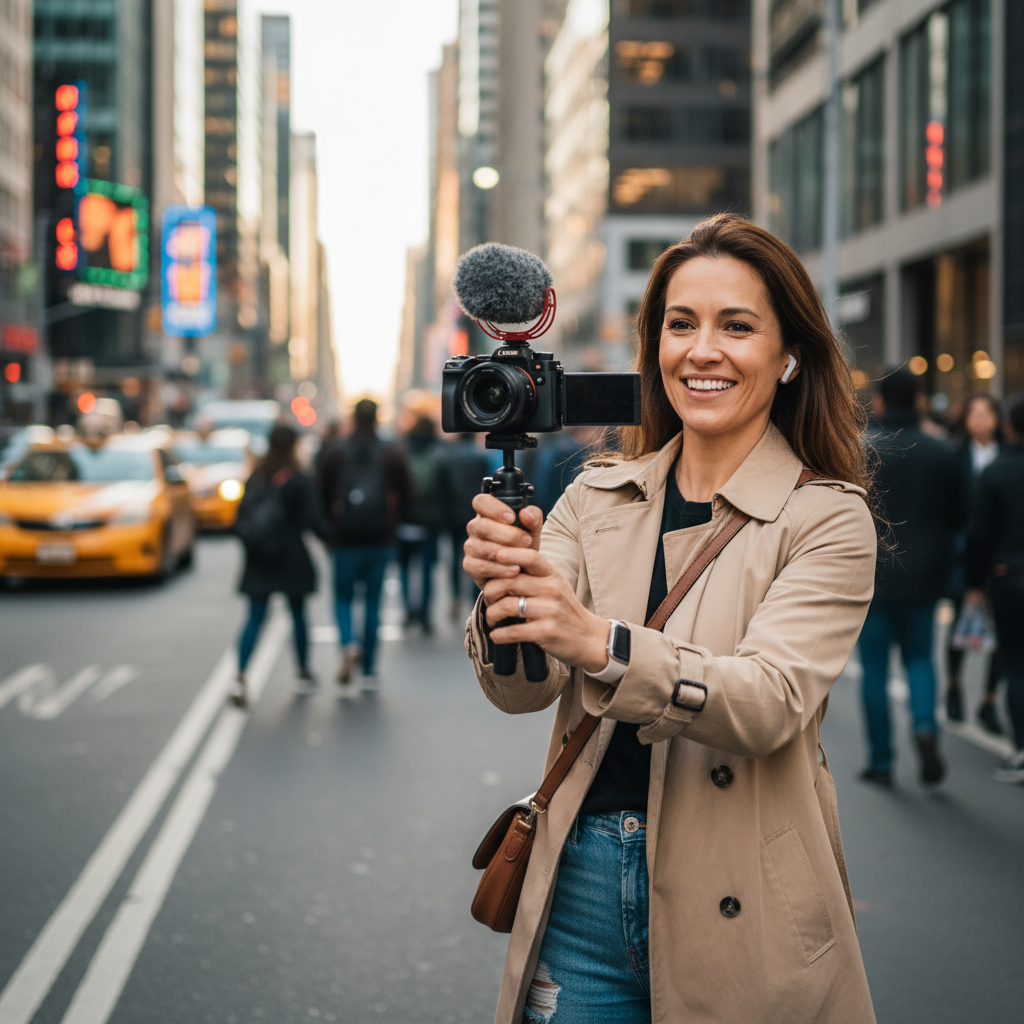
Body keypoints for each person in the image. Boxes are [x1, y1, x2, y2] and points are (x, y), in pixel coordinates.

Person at [463, 214, 878, 1023]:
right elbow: (523, 692)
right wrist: (505, 597)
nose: (702, 350)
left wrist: (598, 642)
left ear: (790, 355)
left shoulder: (826, 518)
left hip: (746, 898)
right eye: (680, 324)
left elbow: (768, 704)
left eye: (737, 327)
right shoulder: (594, 496)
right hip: (581, 891)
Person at [856, 369, 968, 788]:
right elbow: (960, 515)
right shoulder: (943, 451)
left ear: (880, 401)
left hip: (872, 572)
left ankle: (881, 760)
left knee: (873, 669)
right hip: (926, 573)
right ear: (919, 401)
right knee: (920, 658)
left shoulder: (861, 449)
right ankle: (924, 726)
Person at [317, 399, 411, 689]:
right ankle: (369, 669)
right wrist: (394, 526)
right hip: (379, 539)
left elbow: (320, 494)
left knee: (342, 599)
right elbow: (408, 494)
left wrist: (328, 532)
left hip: (344, 539)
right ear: (377, 418)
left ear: (354, 418)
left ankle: (348, 643)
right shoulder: (391, 453)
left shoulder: (336, 452)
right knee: (373, 603)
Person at [232, 424, 322, 708]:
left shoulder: (257, 476)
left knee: (255, 617)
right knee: (298, 614)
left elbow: (241, 516)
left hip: (259, 558)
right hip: (291, 555)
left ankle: (240, 675)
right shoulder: (299, 478)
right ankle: (303, 672)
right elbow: (312, 518)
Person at [965, 396, 1024, 783]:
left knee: (1016, 664)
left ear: (1009, 427)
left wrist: (974, 583)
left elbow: (979, 535)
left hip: (1010, 577)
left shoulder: (997, 471)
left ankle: (1021, 751)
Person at [945, 394, 1004, 732]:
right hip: (963, 555)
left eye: (986, 413)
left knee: (1002, 631)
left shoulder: (1005, 454)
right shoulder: (956, 457)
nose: (980, 419)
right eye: (974, 413)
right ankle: (954, 686)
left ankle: (989, 700)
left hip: (999, 556)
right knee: (960, 623)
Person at [397, 415, 444, 633]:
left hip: (404, 519)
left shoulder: (401, 451)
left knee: (404, 569)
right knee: (426, 571)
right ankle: (425, 615)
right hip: (430, 521)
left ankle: (408, 610)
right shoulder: (439, 453)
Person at [438, 432, 491, 618]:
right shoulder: (480, 456)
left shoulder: (448, 456)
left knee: (454, 558)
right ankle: (475, 597)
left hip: (454, 516)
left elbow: (443, 490)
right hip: (475, 513)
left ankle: (456, 596)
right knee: (476, 556)